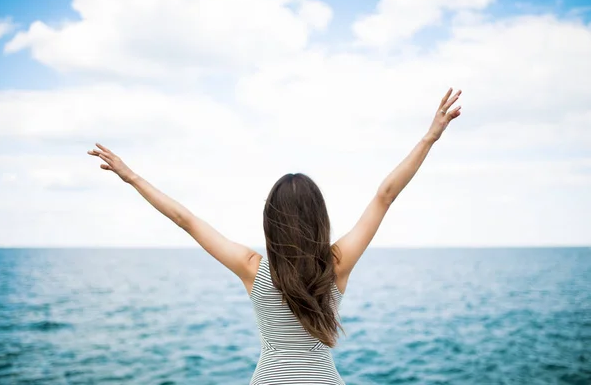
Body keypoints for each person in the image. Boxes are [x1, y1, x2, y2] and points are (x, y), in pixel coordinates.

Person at [88, 88, 462, 384]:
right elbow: (385, 195)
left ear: (271, 220)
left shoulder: (253, 268)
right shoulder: (337, 264)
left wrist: (132, 177)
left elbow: (186, 219)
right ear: (320, 219)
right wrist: (430, 137)